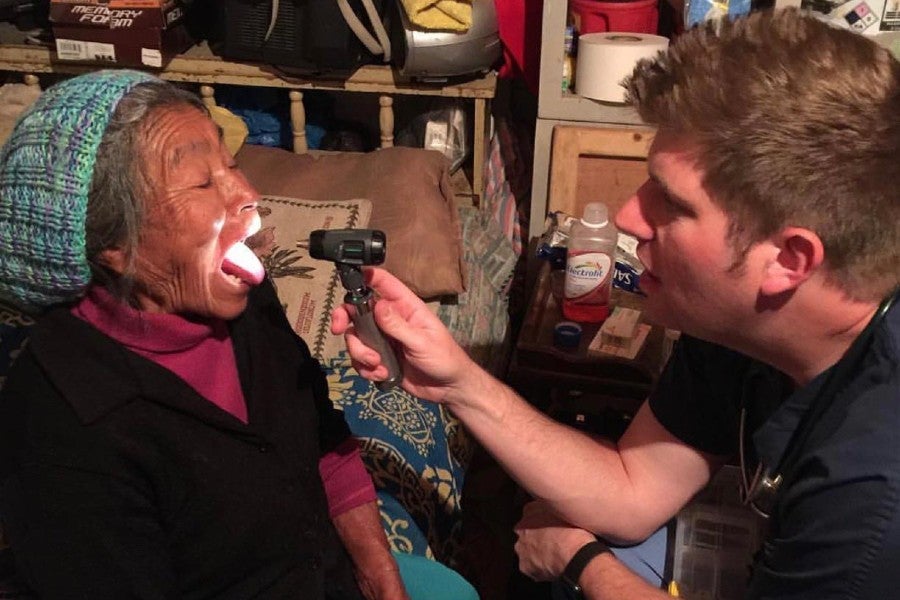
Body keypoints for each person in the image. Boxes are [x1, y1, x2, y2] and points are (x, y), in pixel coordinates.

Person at [332, 8, 900, 599]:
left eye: (671, 204)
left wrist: (583, 564)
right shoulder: (740, 327)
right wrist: (457, 382)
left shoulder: (872, 501)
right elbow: (632, 491)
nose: (629, 216)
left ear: (789, 260)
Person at [0, 70, 410, 600]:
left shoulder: (243, 299)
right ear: (114, 245)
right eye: (201, 182)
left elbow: (323, 437)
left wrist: (382, 580)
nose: (249, 195)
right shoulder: (63, 430)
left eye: (232, 166)